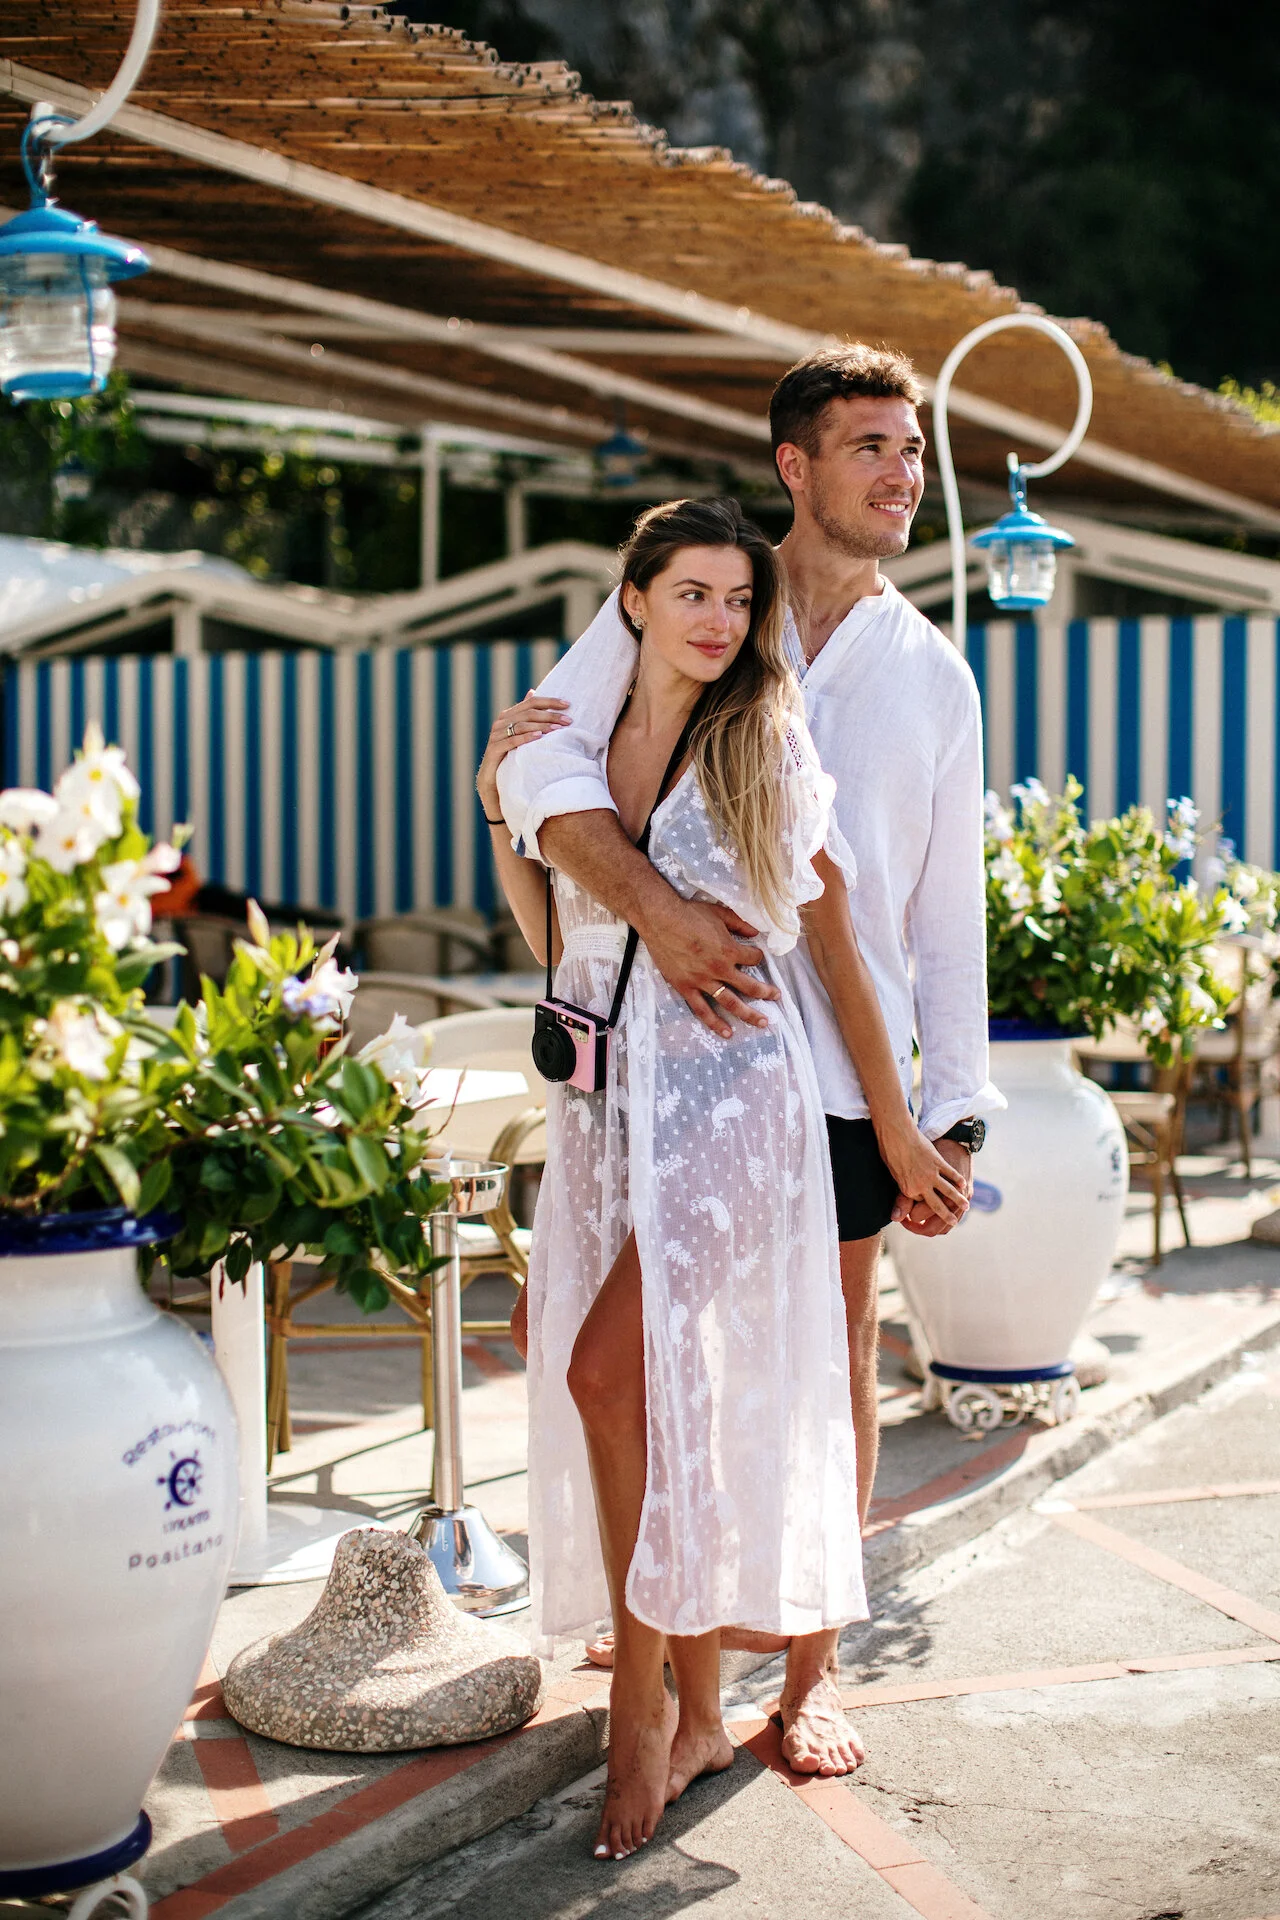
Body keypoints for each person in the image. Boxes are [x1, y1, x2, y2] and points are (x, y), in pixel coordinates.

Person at [491, 345, 1005, 1779]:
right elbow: (537, 768)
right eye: (871, 447)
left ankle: (811, 1676)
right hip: (664, 1068)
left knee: (829, 1362)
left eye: (913, 450)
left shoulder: (933, 677)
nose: (904, 474)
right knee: (658, 1364)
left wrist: (950, 1112)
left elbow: (940, 913)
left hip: (842, 1082)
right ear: (796, 464)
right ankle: (677, 1631)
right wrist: (649, 905)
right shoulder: (709, 593)